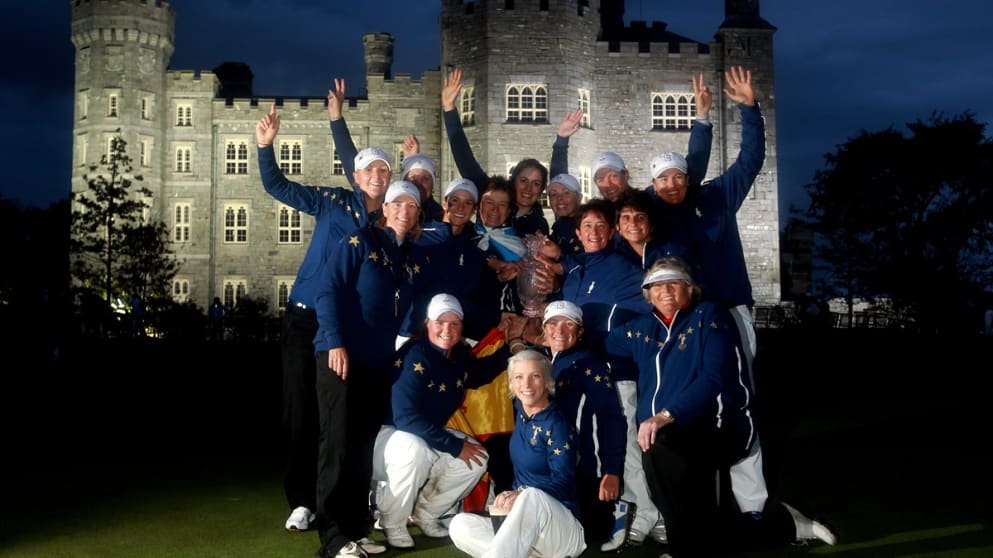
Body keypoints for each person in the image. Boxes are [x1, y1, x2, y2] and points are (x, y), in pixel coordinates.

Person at [605, 257, 835, 557]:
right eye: (657, 285)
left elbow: (715, 375)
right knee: (696, 517)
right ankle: (782, 525)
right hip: (670, 433)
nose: (665, 291)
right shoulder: (642, 329)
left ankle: (687, 545)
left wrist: (664, 416)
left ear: (690, 289)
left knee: (663, 451)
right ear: (647, 293)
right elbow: (606, 343)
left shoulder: (709, 315)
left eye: (674, 283)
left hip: (720, 425)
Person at [257, 98, 390, 537]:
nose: (376, 176)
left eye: (384, 171)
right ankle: (301, 502)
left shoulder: (390, 224)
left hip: (347, 330)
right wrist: (265, 147)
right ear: (356, 176)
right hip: (306, 320)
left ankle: (339, 501)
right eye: (368, 170)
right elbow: (279, 187)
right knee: (300, 412)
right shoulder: (333, 202)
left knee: (339, 420)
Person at [648, 66, 770, 519]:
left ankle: (753, 506)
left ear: (687, 177)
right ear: (654, 186)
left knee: (738, 402)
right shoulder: (656, 215)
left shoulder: (717, 195)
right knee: (690, 403)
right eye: (662, 180)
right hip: (685, 323)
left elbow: (751, 159)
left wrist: (748, 108)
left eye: (678, 177)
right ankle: (699, 503)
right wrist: (701, 123)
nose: (672, 185)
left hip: (730, 311)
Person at [312, 180, 430, 558]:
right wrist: (334, 340)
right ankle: (332, 537)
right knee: (338, 446)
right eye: (398, 203)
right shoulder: (359, 241)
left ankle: (355, 528)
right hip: (340, 356)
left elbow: (409, 308)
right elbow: (327, 289)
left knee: (362, 448)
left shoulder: (412, 256)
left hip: (377, 362)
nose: (405, 211)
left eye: (412, 206)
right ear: (386, 208)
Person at [373, 294, 508, 549]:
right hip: (388, 437)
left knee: (477, 459)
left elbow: (478, 374)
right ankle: (392, 521)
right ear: (427, 323)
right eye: (440, 322)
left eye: (454, 323)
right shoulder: (414, 353)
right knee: (415, 449)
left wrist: (511, 348)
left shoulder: (457, 354)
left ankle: (425, 513)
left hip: (424, 433)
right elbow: (405, 417)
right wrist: (454, 446)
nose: (447, 329)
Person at [448, 350, 587, 558]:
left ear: (548, 381)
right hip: (525, 529)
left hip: (561, 529)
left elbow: (564, 484)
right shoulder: (521, 413)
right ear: (511, 384)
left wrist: (520, 495)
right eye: (519, 377)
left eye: (535, 376)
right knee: (460, 524)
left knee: (532, 495)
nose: (527, 385)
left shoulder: (557, 425)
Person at [519, 300, 626, 545]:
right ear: (544, 329)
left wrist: (611, 471)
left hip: (584, 465)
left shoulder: (590, 365)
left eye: (569, 324)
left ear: (579, 332)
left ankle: (618, 509)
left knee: (590, 536)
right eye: (554, 323)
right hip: (550, 461)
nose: (560, 330)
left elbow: (612, 419)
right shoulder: (542, 362)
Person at [442, 68, 550, 236]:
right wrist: (449, 109)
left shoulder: (538, 225)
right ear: (513, 180)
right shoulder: (490, 190)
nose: (528, 188)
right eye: (523, 180)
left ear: (542, 189)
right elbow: (464, 158)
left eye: (536, 183)